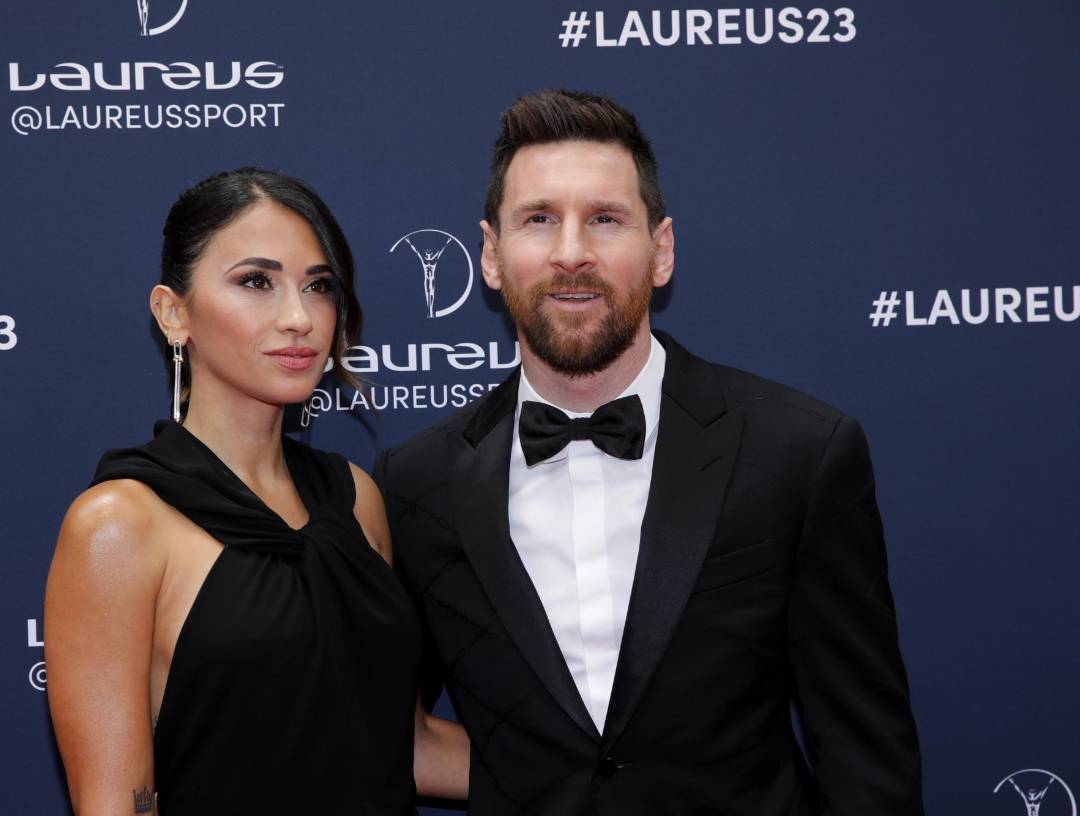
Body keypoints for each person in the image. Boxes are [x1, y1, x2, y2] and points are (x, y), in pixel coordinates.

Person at [374, 90, 924, 814]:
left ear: (660, 250)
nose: (572, 252)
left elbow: (865, 754)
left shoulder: (798, 453)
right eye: (539, 220)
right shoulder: (419, 482)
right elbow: (386, 735)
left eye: (605, 219)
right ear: (491, 255)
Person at [45, 168, 467, 815]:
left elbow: (407, 746)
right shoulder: (119, 525)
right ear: (173, 313)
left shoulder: (356, 499)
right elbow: (117, 806)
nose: (299, 317)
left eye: (318, 287)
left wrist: (615, 773)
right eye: (256, 282)